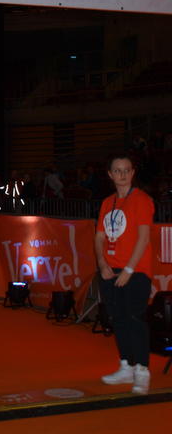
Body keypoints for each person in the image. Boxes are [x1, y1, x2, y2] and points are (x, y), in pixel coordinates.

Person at [94, 154, 154, 395]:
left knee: (135, 318)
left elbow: (144, 238)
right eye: (117, 170)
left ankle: (142, 371)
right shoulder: (107, 202)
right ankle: (126, 365)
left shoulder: (142, 200)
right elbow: (99, 236)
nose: (122, 174)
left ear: (133, 173)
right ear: (110, 174)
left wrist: (129, 269)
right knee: (117, 318)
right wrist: (102, 263)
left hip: (136, 270)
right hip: (110, 270)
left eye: (126, 170)